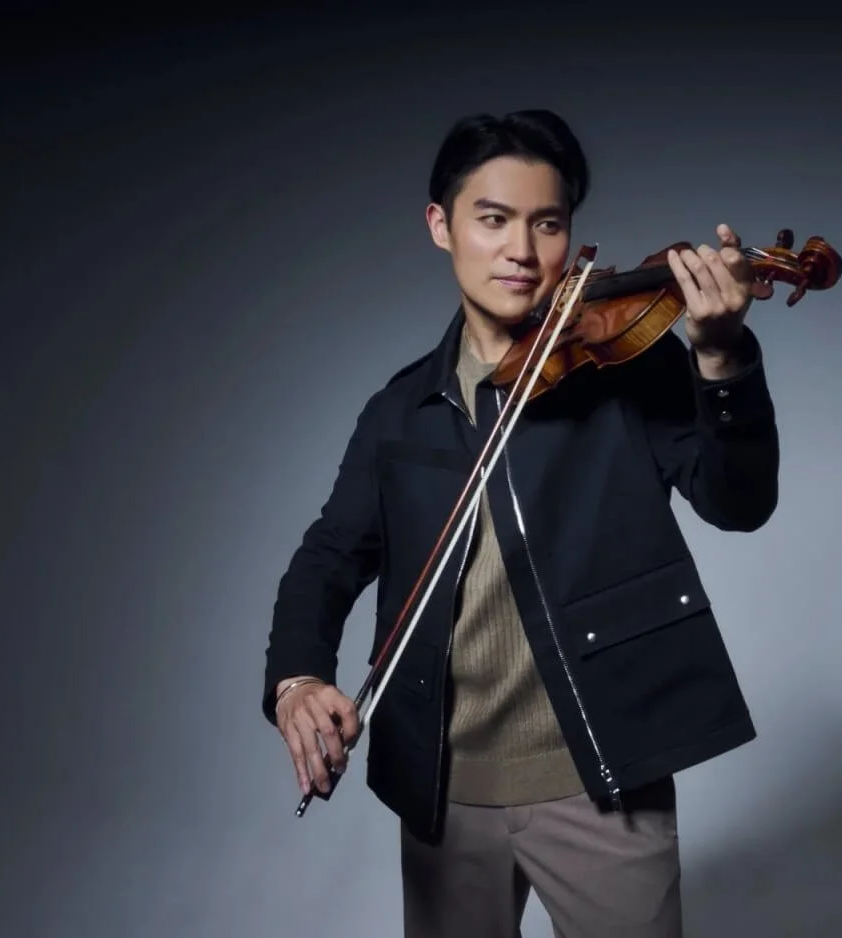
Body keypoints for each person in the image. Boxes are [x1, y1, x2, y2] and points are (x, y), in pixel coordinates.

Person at [262, 108, 780, 938]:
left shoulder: (630, 366)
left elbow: (739, 503)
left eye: (548, 224)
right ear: (442, 226)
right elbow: (330, 552)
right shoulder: (402, 408)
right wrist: (296, 680)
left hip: (602, 775)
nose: (522, 251)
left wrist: (721, 360)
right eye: (493, 219)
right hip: (442, 790)